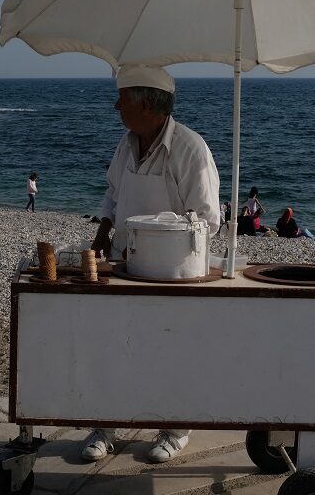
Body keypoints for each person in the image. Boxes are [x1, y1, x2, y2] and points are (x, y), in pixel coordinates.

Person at [86, 65, 220, 465]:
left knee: (171, 349)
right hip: (124, 264)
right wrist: (102, 233)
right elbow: (113, 193)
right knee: (113, 346)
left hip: (172, 272)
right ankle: (105, 425)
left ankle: (176, 430)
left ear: (147, 104)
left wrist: (158, 236)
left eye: (123, 99)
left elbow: (207, 219)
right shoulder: (126, 144)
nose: (116, 106)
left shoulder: (191, 150)